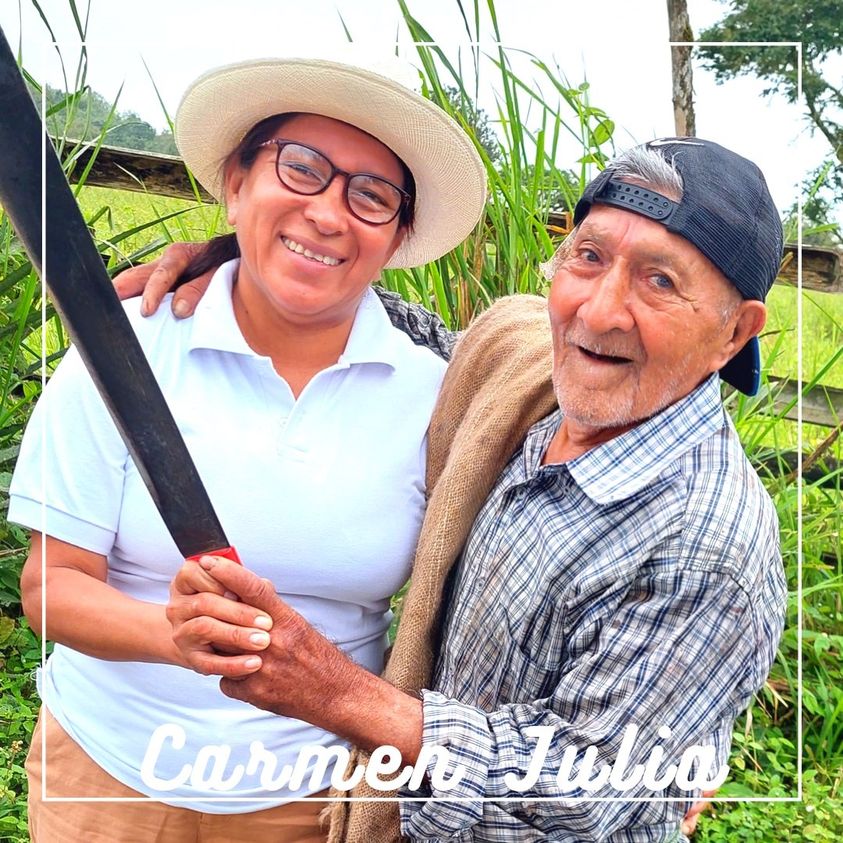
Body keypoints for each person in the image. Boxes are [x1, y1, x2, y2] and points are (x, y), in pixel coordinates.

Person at [140, 136, 788, 842]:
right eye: (589, 256)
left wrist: (335, 691)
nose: (599, 311)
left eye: (659, 281)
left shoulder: (704, 546)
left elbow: (580, 798)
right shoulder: (528, 384)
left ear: (734, 333)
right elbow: (437, 342)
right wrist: (251, 263)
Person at [8, 53, 487, 842]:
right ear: (235, 184)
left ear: (397, 236)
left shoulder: (437, 399)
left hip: (311, 797)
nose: (328, 213)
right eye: (300, 167)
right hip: (108, 775)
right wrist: (176, 635)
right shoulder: (131, 349)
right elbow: (51, 587)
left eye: (371, 195)